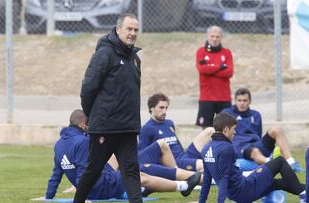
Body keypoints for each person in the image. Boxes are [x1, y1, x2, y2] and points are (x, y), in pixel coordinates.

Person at [44, 110, 201, 201]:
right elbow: (83, 171)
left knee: (136, 171)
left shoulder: (59, 144)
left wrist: (49, 196)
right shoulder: (82, 142)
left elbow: (56, 173)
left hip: (96, 184)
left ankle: (148, 188)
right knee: (139, 175)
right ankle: (184, 186)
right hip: (100, 187)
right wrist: (83, 196)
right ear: (83, 125)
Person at [76, 14, 142, 203]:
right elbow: (88, 88)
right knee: (93, 170)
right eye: (129, 29)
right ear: (118, 29)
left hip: (128, 128)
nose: (132, 33)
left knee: (131, 172)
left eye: (135, 30)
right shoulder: (104, 54)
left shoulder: (135, 59)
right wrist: (91, 115)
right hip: (106, 127)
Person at [199, 112, 309, 203]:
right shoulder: (226, 148)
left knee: (277, 183)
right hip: (245, 189)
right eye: (234, 129)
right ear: (226, 129)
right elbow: (224, 178)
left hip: (238, 193)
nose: (235, 132)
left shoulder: (206, 149)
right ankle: (304, 196)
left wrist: (202, 201)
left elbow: (207, 180)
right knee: (280, 161)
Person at [221, 87, 304, 172]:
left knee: (276, 129)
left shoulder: (256, 114)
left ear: (250, 101)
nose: (242, 103)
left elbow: (258, 135)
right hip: (241, 147)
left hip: (256, 143)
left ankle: (292, 163)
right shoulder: (227, 113)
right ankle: (272, 163)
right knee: (254, 151)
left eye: (245, 100)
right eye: (239, 100)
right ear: (235, 101)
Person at [138, 93, 215, 171]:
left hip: (185, 155)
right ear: (151, 108)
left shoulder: (169, 123)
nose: (164, 111)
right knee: (206, 164)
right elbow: (142, 156)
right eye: (161, 108)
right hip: (176, 162)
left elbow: (177, 144)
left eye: (166, 108)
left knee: (210, 130)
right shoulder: (147, 128)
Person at [195, 25, 234, 128]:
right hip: (207, 96)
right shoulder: (201, 52)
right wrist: (221, 67)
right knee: (206, 129)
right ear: (208, 36)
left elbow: (229, 72)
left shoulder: (226, 53)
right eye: (212, 36)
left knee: (225, 127)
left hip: (223, 97)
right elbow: (202, 69)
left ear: (221, 38)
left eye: (217, 37)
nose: (214, 39)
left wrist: (210, 69)